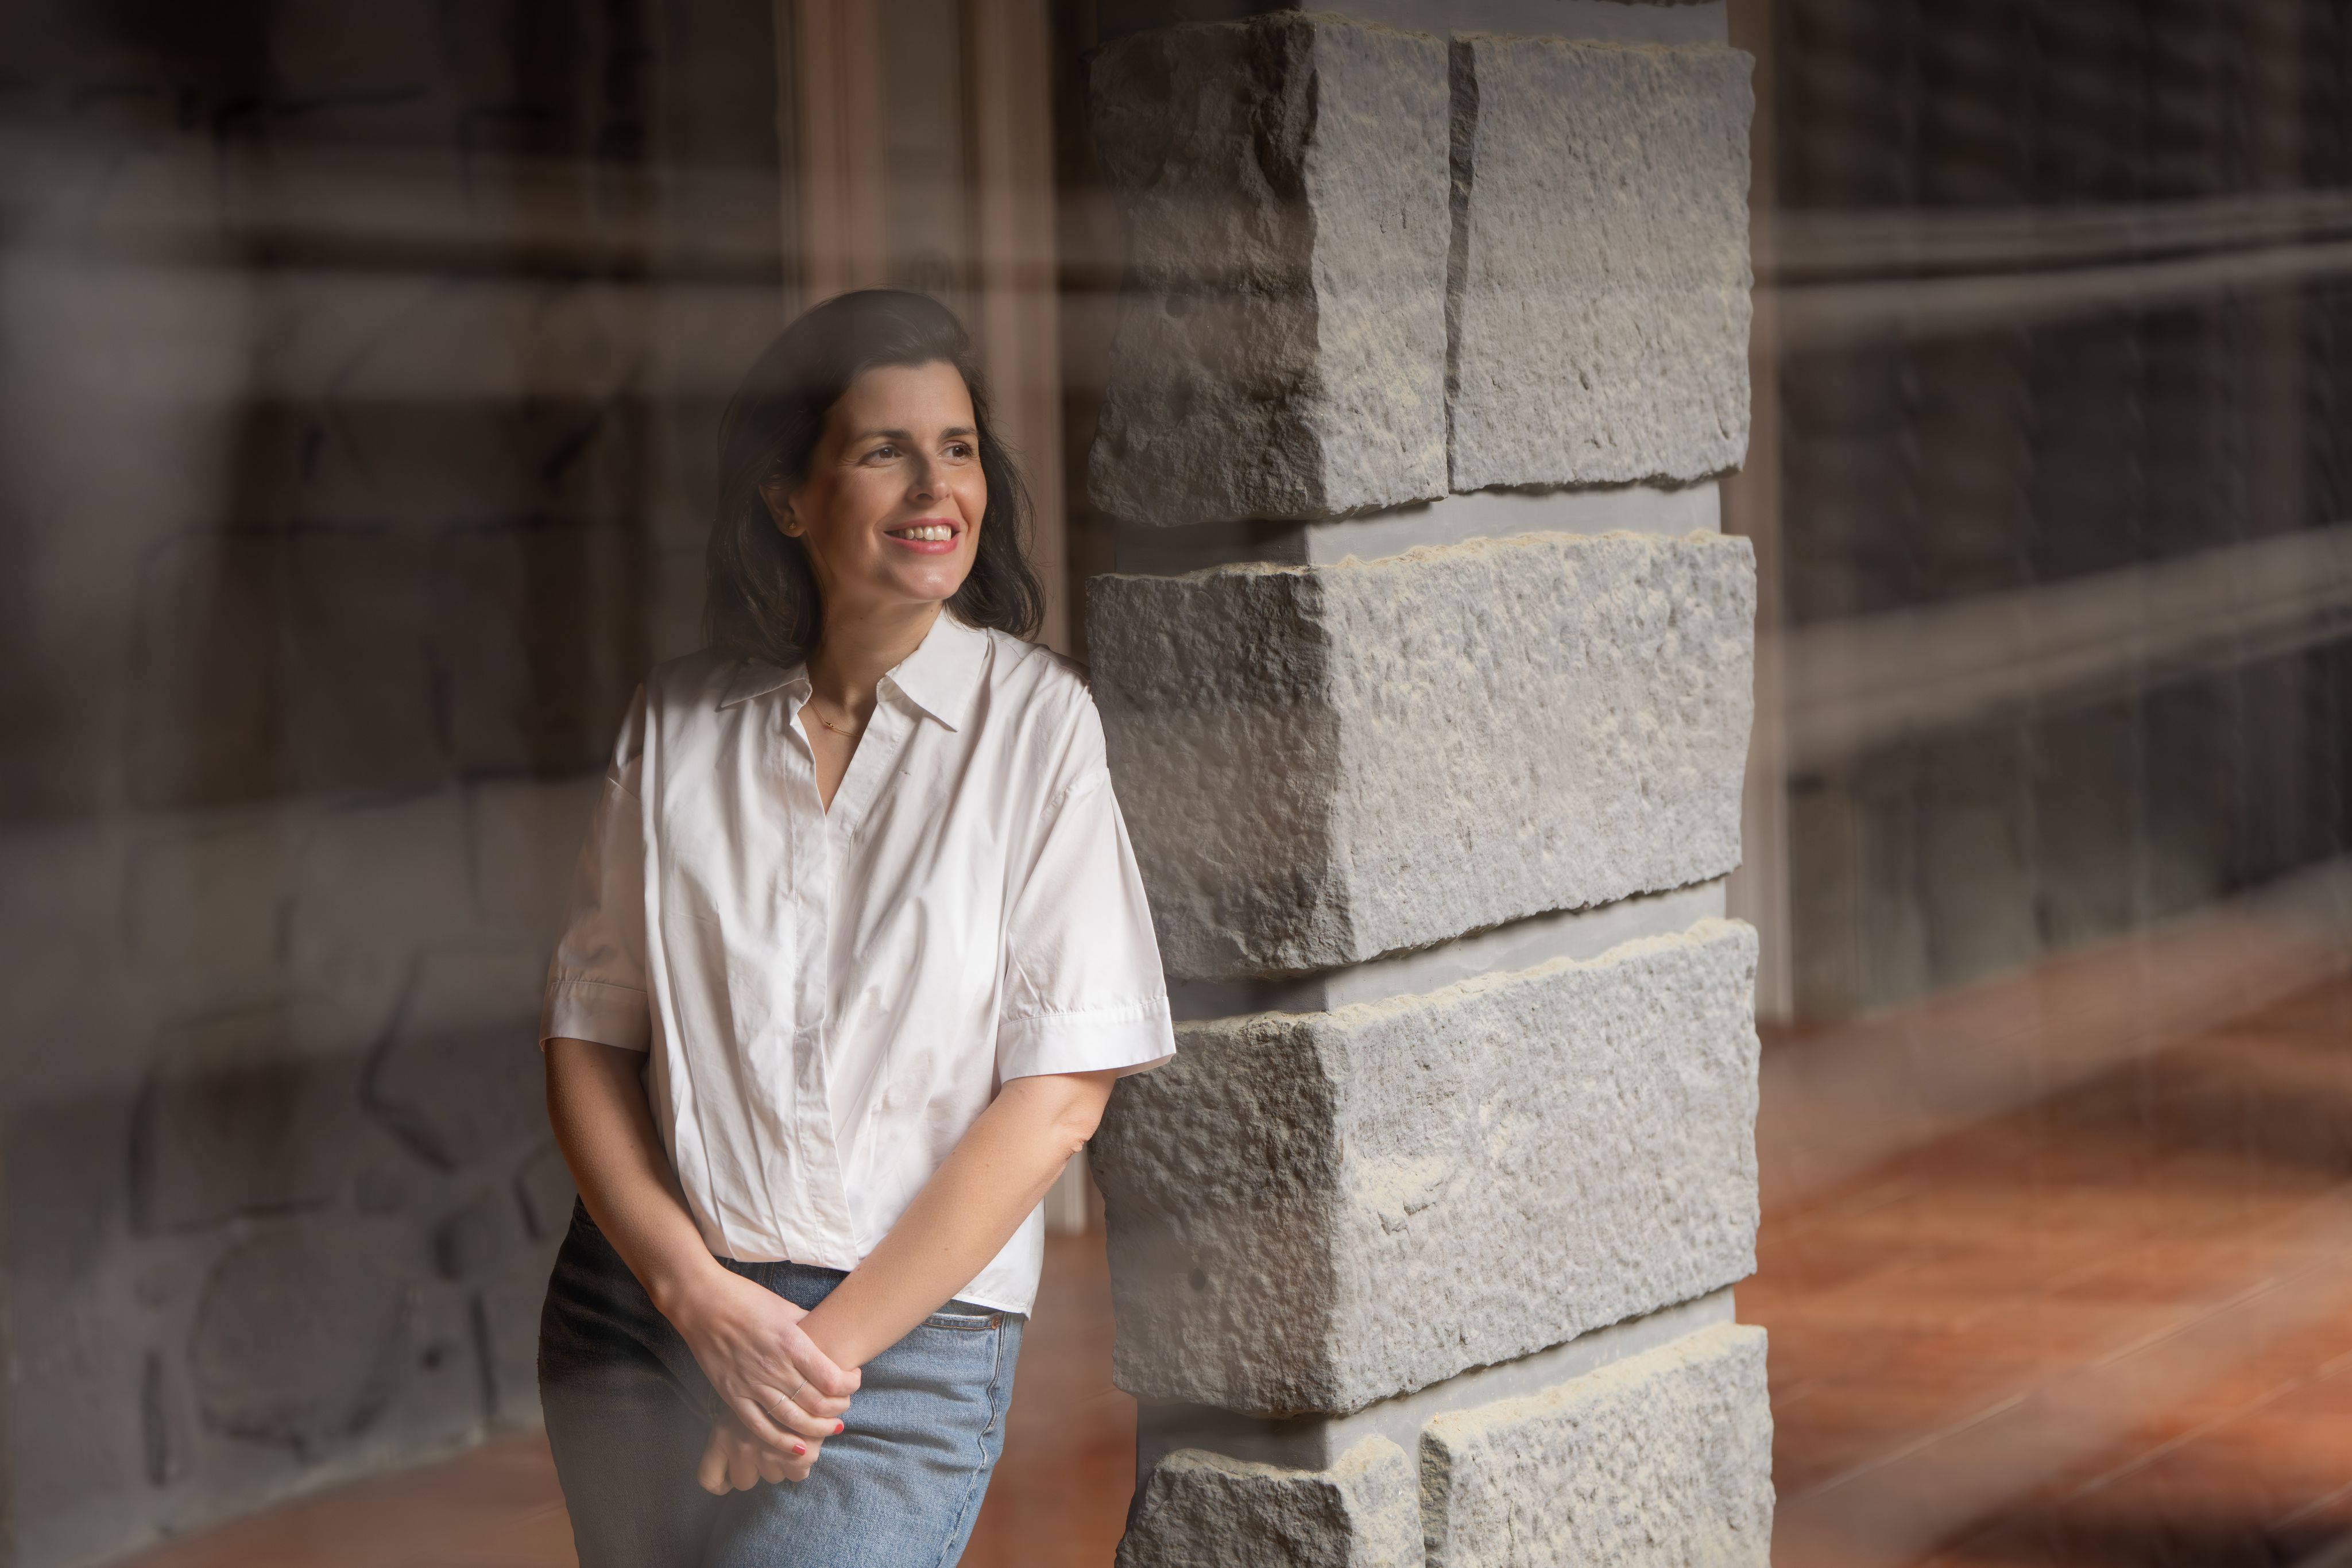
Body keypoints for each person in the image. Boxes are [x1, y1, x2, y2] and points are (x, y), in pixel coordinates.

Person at [533, 289, 1175, 1567]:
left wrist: (802, 1364)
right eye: (885, 449)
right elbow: (588, 1036)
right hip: (640, 1318)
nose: (936, 487)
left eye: (957, 447)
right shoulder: (674, 723)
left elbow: (1060, 1096)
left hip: (898, 1352)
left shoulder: (1037, 726)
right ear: (788, 495)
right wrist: (697, 1299)